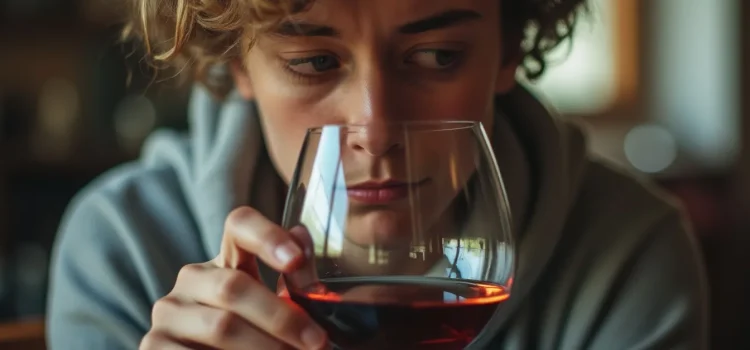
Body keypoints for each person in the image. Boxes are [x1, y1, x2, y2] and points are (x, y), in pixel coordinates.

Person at [46, 0, 709, 349]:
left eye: (438, 54)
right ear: (237, 65)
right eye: (312, 62)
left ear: (508, 49)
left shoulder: (628, 253)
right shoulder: (123, 250)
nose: (376, 129)